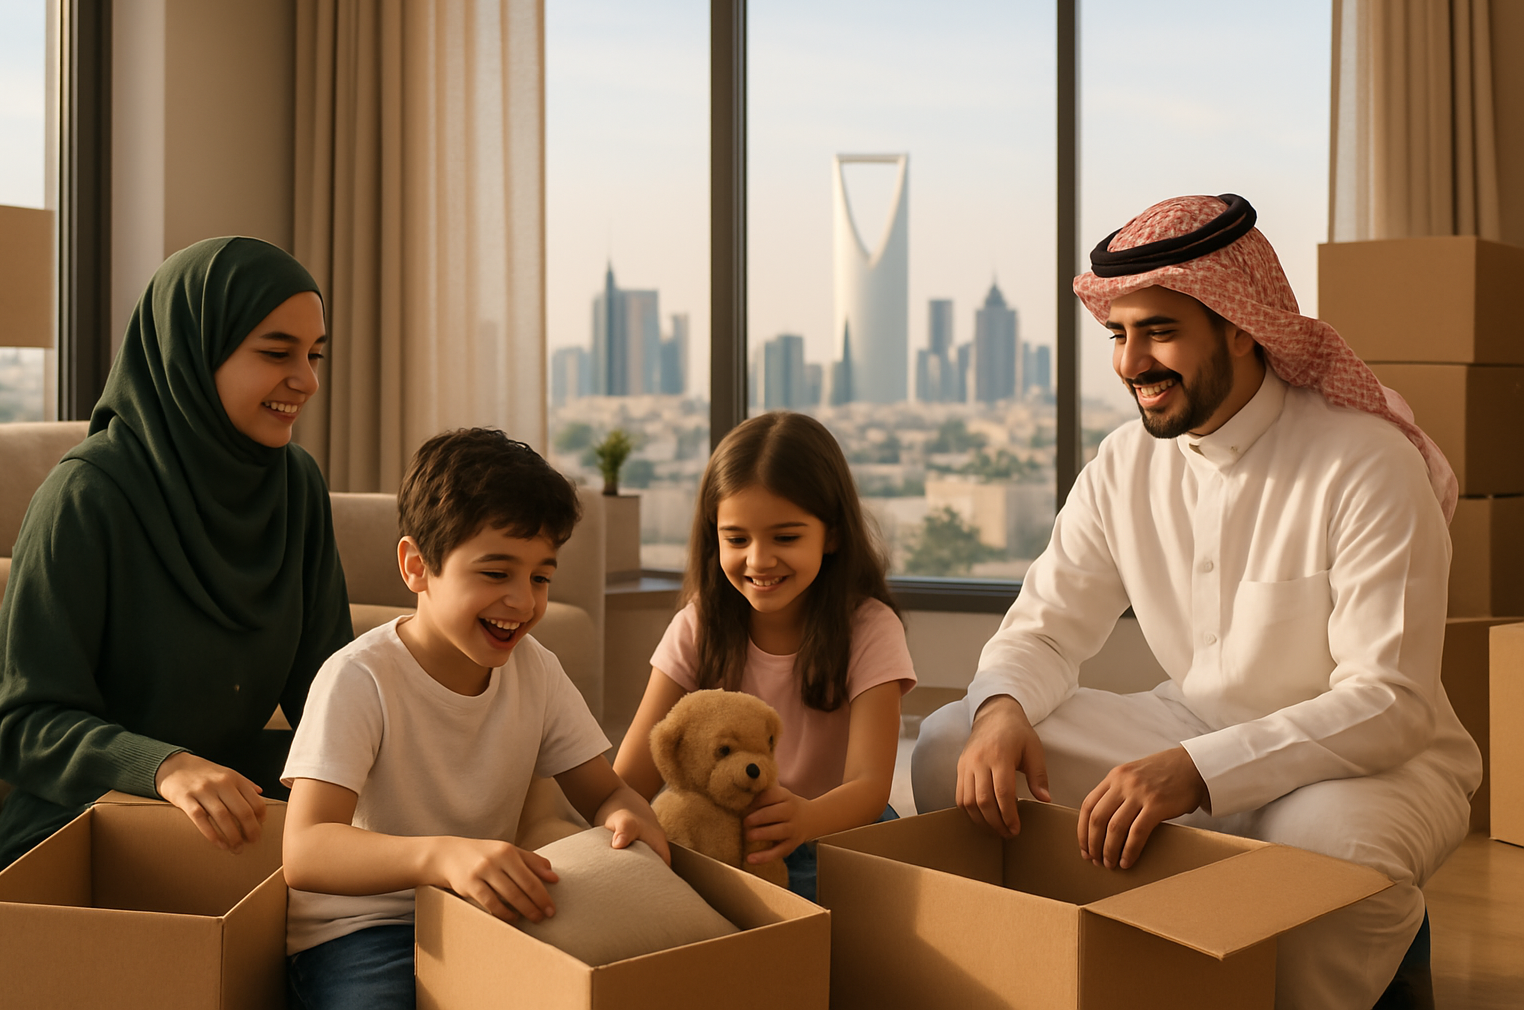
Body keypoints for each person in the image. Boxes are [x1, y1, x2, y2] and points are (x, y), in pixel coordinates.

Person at [911, 194, 1480, 1010]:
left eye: (1160, 331)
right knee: (948, 746)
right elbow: (1043, 626)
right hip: (1194, 729)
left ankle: (1380, 931)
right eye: (1118, 334)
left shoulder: (1365, 464)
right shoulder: (1122, 467)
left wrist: (1198, 774)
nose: (1129, 363)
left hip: (1371, 766)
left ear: (1242, 327)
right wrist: (1001, 711)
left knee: (1312, 856)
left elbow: (1389, 705)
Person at [0, 237, 353, 876]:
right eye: (276, 352)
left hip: (230, 816)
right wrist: (163, 767)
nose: (308, 380)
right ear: (193, 351)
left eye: (315, 355)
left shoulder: (297, 487)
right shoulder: (87, 496)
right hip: (84, 824)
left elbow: (331, 696)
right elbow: (20, 725)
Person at [280, 427, 668, 1010]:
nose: (524, 600)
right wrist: (441, 856)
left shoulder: (537, 671)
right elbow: (305, 851)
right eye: (495, 573)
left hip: (484, 915)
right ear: (417, 566)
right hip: (363, 932)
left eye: (541, 576)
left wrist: (627, 819)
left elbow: (604, 789)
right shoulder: (359, 678)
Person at [614, 411, 916, 901]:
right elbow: (631, 775)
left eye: (786, 537)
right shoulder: (698, 624)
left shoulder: (870, 627)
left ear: (832, 534)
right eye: (737, 539)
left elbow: (869, 785)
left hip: (831, 830)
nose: (758, 560)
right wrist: (625, 819)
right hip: (722, 833)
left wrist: (806, 818)